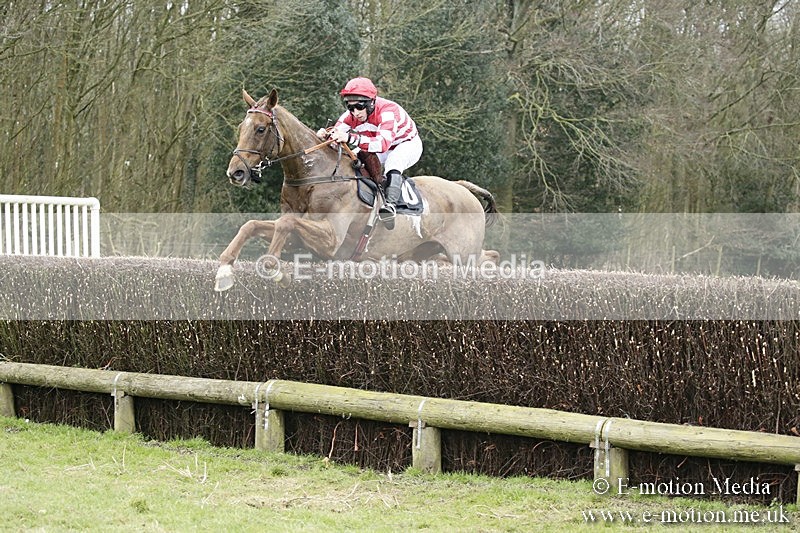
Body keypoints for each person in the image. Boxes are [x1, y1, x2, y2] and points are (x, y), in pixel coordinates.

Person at [317, 77, 422, 230]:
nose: (355, 112)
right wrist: (325, 136)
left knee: (394, 161)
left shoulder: (388, 111)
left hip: (406, 144)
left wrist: (349, 137)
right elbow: (336, 134)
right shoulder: (350, 116)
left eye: (359, 106)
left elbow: (382, 144)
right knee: (353, 158)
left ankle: (390, 205)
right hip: (378, 145)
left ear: (371, 102)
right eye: (350, 107)